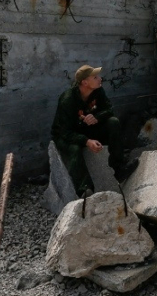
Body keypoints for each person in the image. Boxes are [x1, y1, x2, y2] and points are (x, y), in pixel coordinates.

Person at [51, 65, 124, 197]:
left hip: (86, 129)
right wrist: (86, 141)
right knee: (74, 149)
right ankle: (85, 189)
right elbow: (65, 132)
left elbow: (109, 110)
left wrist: (97, 117)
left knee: (113, 122)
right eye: (95, 77)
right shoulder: (68, 100)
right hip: (65, 135)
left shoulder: (98, 91)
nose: (100, 79)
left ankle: (119, 168)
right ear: (85, 82)